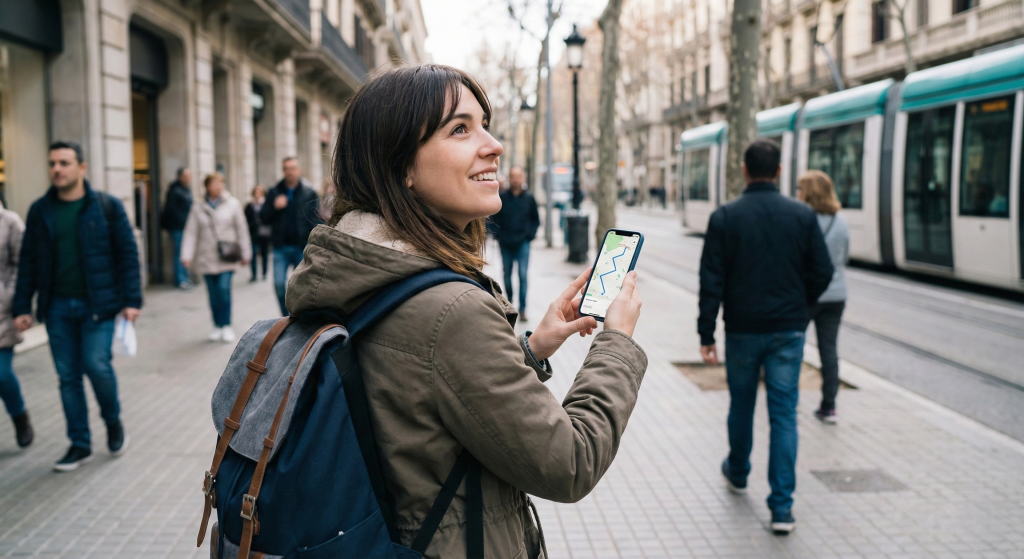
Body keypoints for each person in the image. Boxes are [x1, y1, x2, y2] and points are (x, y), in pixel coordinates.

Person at [286, 64, 647, 559]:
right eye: (460, 129)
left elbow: (418, 393)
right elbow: (570, 462)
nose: (494, 145)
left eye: (485, 124)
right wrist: (618, 344)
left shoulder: (354, 269)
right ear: (401, 168)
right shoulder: (450, 311)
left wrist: (531, 348)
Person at [697, 140, 833, 535]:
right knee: (784, 415)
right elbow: (823, 271)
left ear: (744, 170)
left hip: (741, 329)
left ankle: (738, 471)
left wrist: (706, 331)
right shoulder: (802, 215)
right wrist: (800, 307)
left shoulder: (725, 217)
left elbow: (711, 281)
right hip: (787, 331)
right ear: (778, 172)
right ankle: (782, 508)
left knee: (741, 406)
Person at [13, 141, 142, 472]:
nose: (57, 169)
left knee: (96, 365)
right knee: (68, 377)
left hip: (97, 306)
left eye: (65, 163)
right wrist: (22, 306)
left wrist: (131, 301)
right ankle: (79, 444)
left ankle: (113, 423)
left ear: (81, 168)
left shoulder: (106, 206)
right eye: (52, 163)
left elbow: (127, 254)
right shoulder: (40, 209)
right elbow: (27, 261)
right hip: (56, 308)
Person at [796, 171, 849, 424]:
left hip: (808, 293)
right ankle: (829, 406)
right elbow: (844, 256)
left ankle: (790, 399)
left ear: (809, 192)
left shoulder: (802, 219)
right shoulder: (841, 221)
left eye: (799, 189)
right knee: (829, 350)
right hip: (837, 294)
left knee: (795, 345)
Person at [181, 173, 252, 343]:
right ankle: (217, 325)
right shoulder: (198, 206)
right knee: (213, 294)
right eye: (214, 183)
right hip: (207, 256)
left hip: (227, 256)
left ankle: (226, 325)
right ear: (207, 186)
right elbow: (191, 232)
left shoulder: (232, 203)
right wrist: (186, 255)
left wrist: (246, 253)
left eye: (221, 183)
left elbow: (242, 229)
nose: (218, 186)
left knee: (223, 289)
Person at [260, 157, 320, 316]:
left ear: (299, 170)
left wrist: (314, 244)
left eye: (293, 168)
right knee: (279, 284)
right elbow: (263, 217)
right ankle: (286, 317)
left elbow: (315, 220)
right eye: (287, 169)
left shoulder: (309, 192)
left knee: (301, 287)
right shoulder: (274, 192)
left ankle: (298, 316)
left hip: (301, 247)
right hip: (280, 247)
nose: (290, 172)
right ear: (283, 171)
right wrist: (274, 206)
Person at [0, 201, 32, 449]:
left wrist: (10, 298)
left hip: (2, 311)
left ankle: (20, 416)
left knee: (1, 373)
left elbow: (23, 265)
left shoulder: (10, 221)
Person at [489, 166, 540, 321]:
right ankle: (509, 305)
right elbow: (492, 220)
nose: (516, 179)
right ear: (510, 178)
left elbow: (535, 220)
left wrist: (529, 236)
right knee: (507, 276)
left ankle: (523, 309)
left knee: (523, 276)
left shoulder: (529, 198)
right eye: (513, 176)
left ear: (522, 178)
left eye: (518, 176)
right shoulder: (502, 198)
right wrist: (498, 236)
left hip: (523, 244)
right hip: (505, 244)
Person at [160, 167, 194, 289]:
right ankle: (180, 280)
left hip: (185, 228)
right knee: (180, 253)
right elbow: (170, 211)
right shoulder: (175, 191)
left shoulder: (186, 190)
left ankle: (185, 278)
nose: (189, 178)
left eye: (190, 176)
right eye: (186, 176)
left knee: (184, 253)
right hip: (178, 228)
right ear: (180, 176)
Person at [244, 185, 271, 282]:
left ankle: (264, 273)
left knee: (264, 253)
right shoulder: (249, 205)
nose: (257, 193)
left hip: (264, 233)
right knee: (253, 253)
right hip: (253, 233)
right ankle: (254, 274)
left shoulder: (266, 204)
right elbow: (245, 219)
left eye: (259, 191)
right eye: (256, 191)